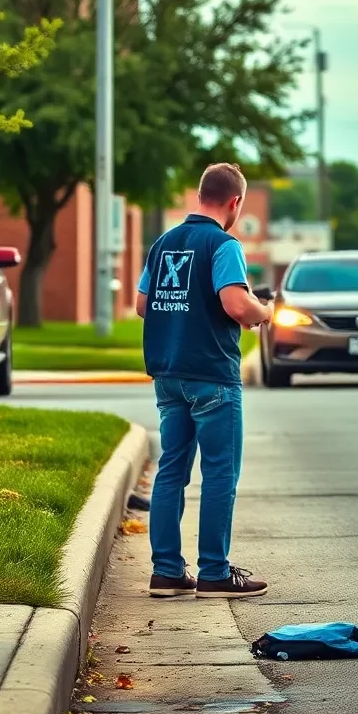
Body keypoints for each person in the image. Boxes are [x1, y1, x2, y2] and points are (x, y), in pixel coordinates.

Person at [136, 162, 274, 600]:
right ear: (235, 203)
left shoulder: (163, 244)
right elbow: (236, 304)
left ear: (200, 196)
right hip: (212, 375)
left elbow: (143, 305)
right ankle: (214, 572)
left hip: (168, 374)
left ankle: (166, 572)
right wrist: (264, 312)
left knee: (171, 469)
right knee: (219, 473)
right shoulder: (224, 244)